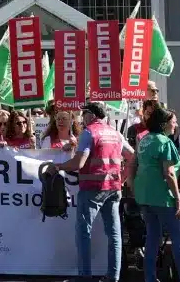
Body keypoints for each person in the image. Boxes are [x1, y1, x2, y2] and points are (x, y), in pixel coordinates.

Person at [51, 101, 135, 282]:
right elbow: (133, 157)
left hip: (91, 189)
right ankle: (113, 277)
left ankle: (84, 277)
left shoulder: (89, 132)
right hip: (113, 188)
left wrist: (57, 167)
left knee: (83, 232)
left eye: (84, 115)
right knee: (113, 233)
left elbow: (78, 163)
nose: (82, 119)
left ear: (91, 115)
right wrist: (123, 177)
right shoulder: (115, 133)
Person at [131, 107, 180, 282]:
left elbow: (134, 166)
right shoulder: (165, 142)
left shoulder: (144, 139)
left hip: (145, 195)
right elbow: (169, 173)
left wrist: (134, 189)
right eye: (174, 121)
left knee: (153, 237)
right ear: (164, 124)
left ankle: (150, 277)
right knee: (178, 237)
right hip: (162, 196)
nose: (176, 124)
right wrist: (177, 197)